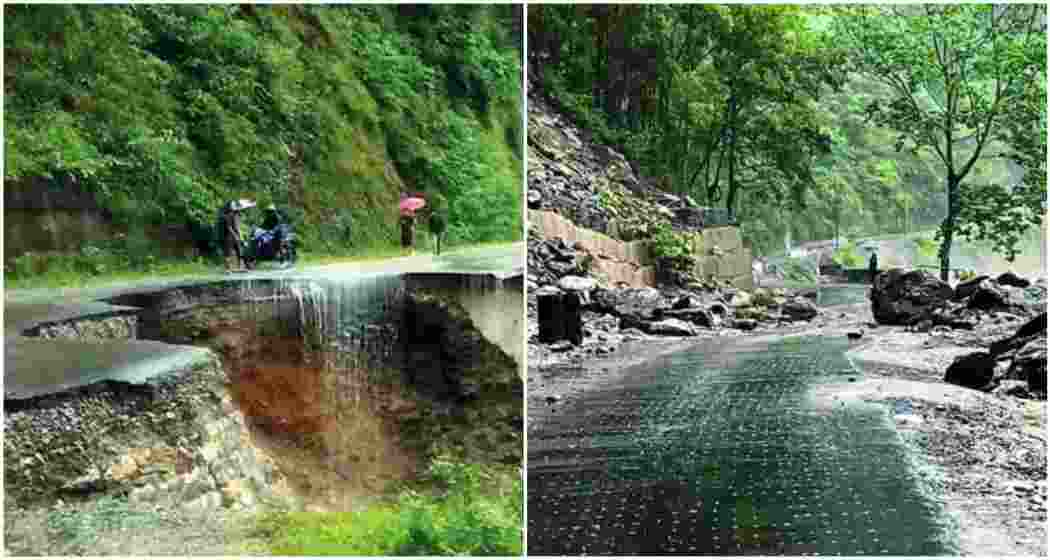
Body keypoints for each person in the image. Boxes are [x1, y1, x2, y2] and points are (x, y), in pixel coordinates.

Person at [221, 201, 246, 271]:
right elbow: (229, 228)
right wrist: (235, 236)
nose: (239, 210)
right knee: (228, 253)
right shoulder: (228, 216)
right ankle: (227, 269)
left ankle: (240, 267)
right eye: (238, 209)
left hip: (236, 237)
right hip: (229, 237)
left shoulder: (237, 216)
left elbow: (238, 227)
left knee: (239, 252)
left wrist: (241, 237)